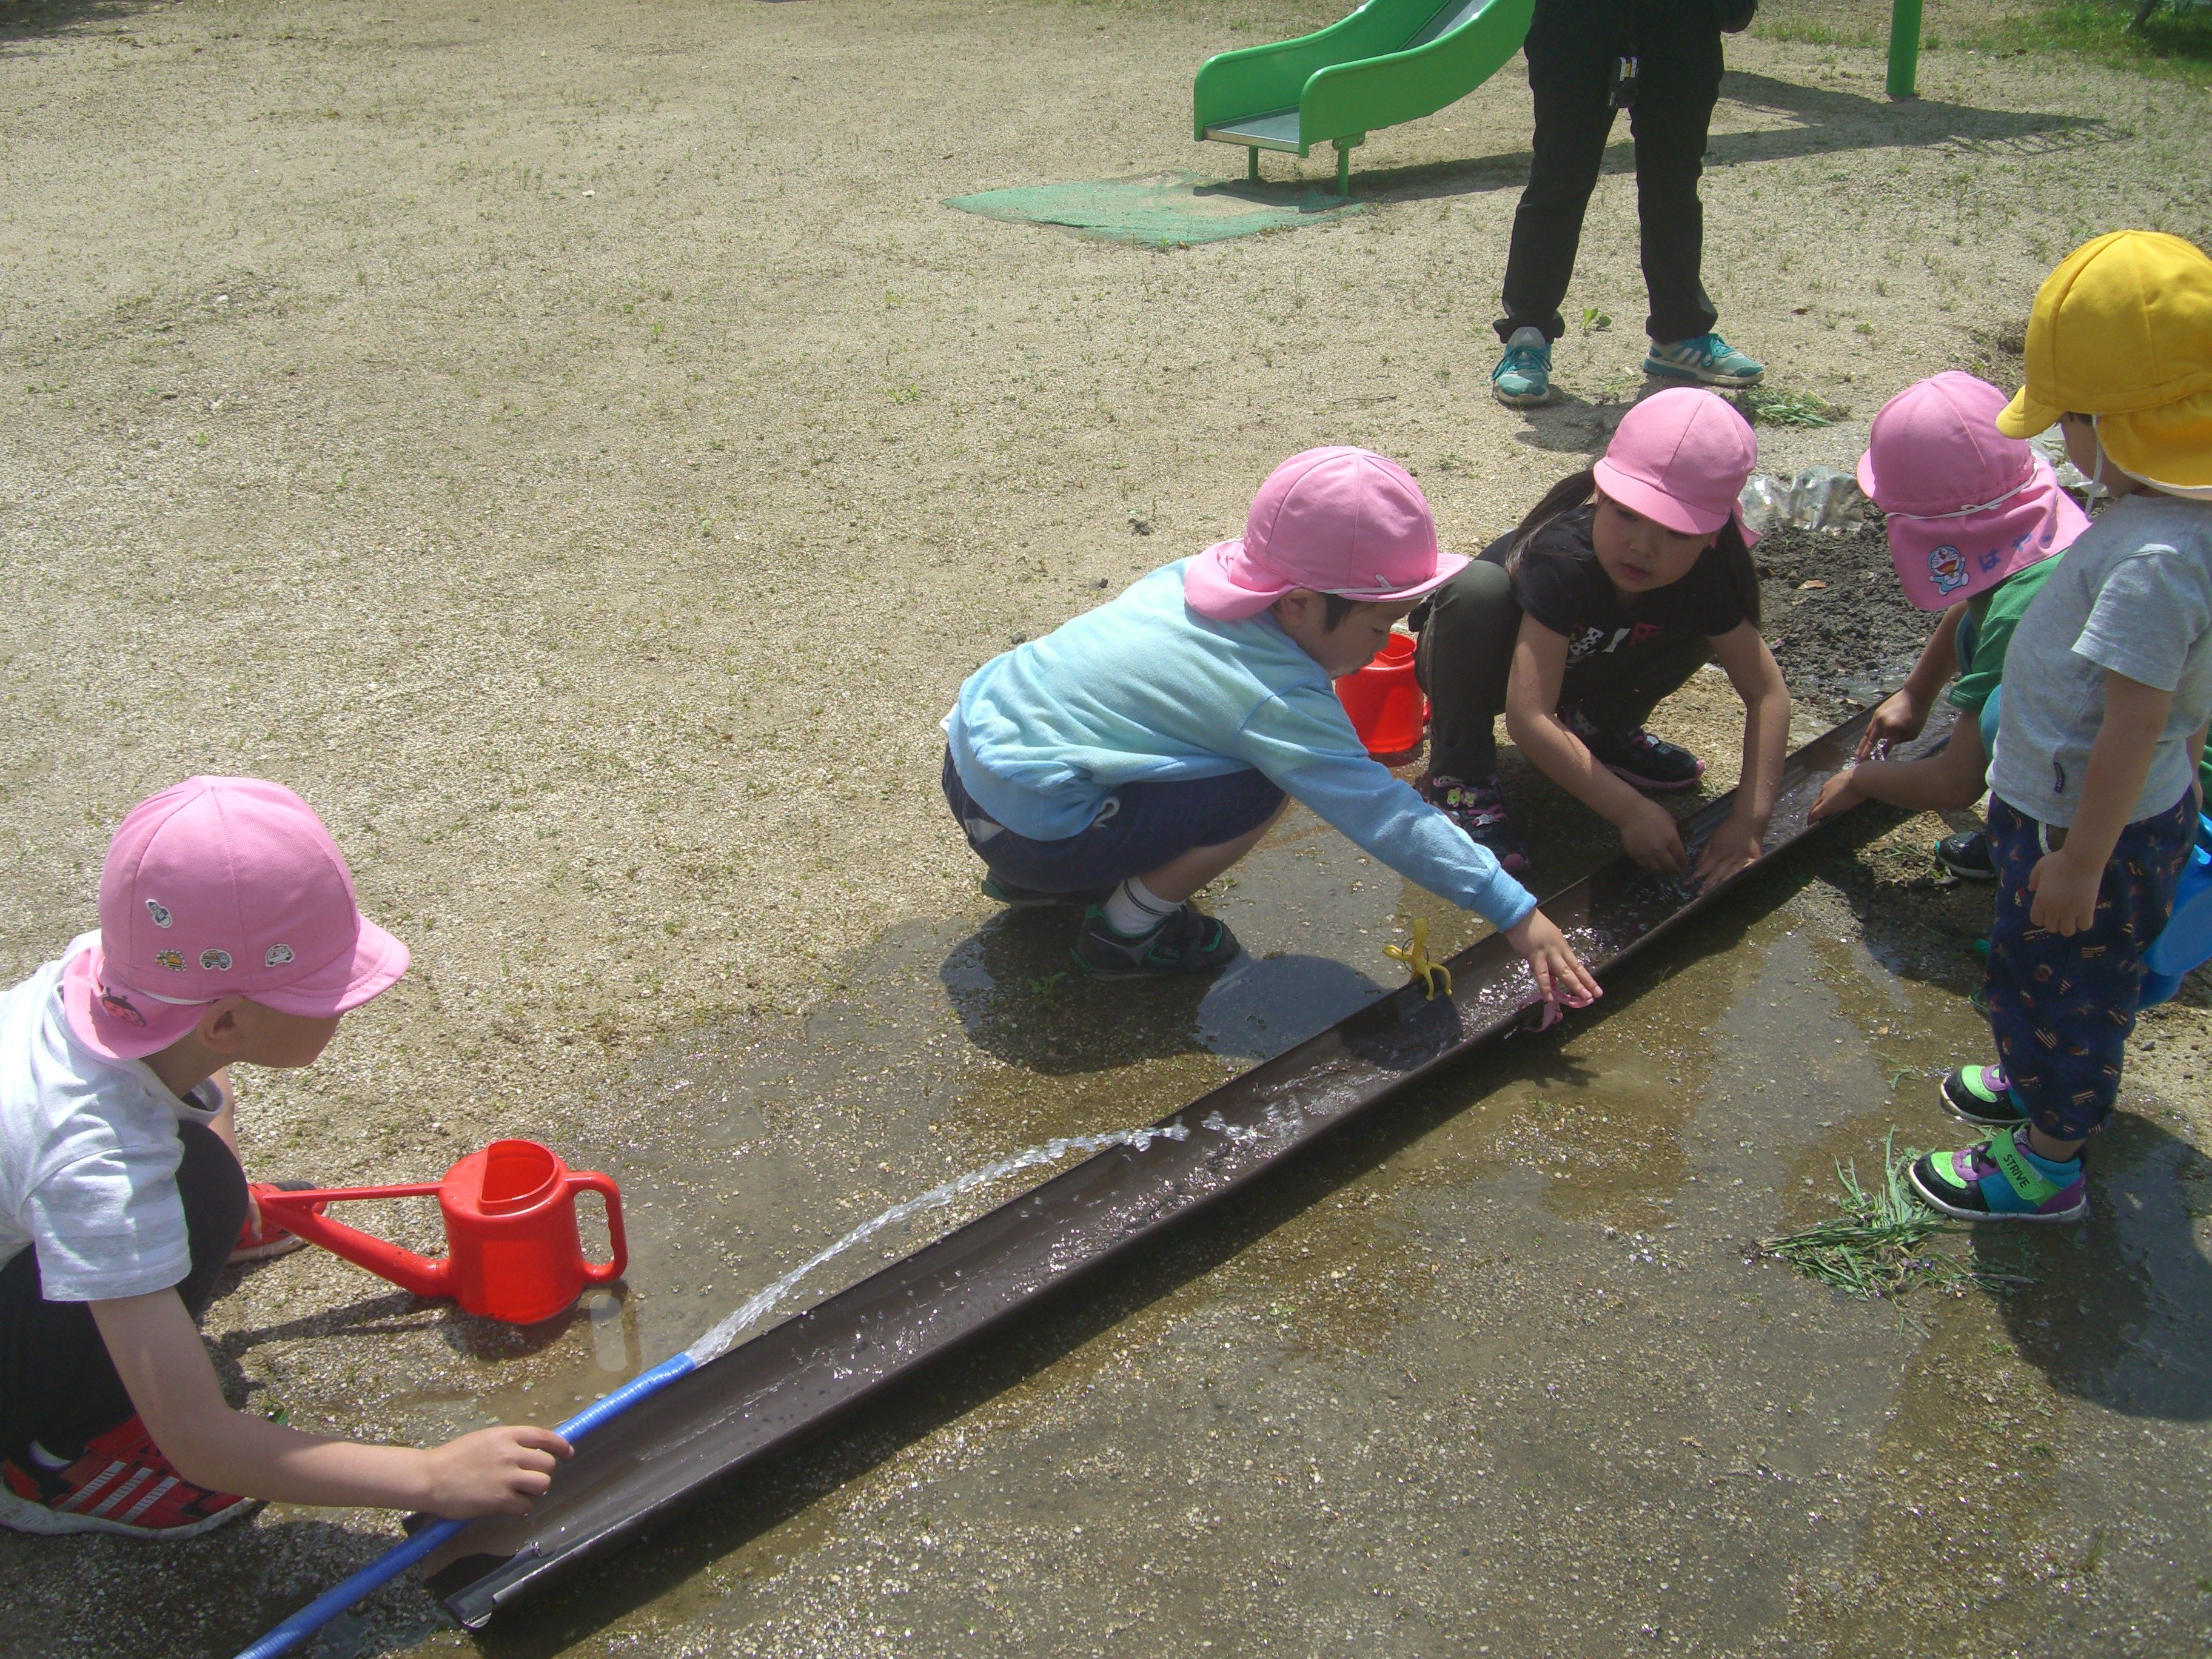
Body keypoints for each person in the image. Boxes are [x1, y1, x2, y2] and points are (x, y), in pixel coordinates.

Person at [1, 776, 571, 1537]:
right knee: (171, 1200)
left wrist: (225, 1198)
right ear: (227, 1022)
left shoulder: (122, 981)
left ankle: (191, 1235)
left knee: (204, 1181)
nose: (344, 1003)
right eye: (323, 991)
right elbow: (200, 1440)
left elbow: (206, 1075)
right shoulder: (94, 1165)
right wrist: (431, 1475)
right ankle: (50, 1461)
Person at [942, 445, 1602, 1011]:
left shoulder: (1199, 580)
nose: (1383, 645)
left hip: (973, 771)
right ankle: (1126, 932)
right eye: (1378, 626)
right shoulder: (1273, 694)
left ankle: (1032, 883)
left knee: (1151, 744)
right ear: (1299, 604)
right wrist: (1513, 910)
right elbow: (1383, 810)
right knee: (1257, 785)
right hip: (1035, 834)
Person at [1909, 230, 2212, 1224]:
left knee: (2070, 990)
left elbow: (2136, 714)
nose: (2062, 448)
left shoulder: (2152, 561)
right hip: (2093, 814)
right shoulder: (2167, 518)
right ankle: (2029, 1079)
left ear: (2115, 425)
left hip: (2085, 829)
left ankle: (2047, 1162)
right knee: (2036, 966)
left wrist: (2081, 857)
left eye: (2068, 422)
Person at [1412, 386, 1789, 885]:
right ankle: (1458, 775)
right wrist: (1630, 811)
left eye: (1677, 532)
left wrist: (1748, 821)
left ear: (1714, 534)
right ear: (1600, 493)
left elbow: (1768, 693)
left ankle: (1598, 728)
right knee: (1478, 589)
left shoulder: (1708, 571)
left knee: (1715, 625)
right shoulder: (1564, 556)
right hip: (1481, 666)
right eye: (1626, 514)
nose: (1642, 546)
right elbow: (1529, 718)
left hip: (1583, 667)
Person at [1805, 372, 2091, 862]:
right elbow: (1979, 596)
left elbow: (1955, 784)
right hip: (2114, 751)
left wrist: (1862, 778)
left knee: (1998, 715)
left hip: (2131, 799)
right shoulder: (2041, 546)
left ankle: (2041, 843)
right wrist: (1917, 692)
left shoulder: (2024, 615)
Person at [1489, 0, 1764, 408]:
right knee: (1559, 176)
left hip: (1682, 20)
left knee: (1675, 182)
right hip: (1580, 18)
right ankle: (1527, 335)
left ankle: (1680, 335)